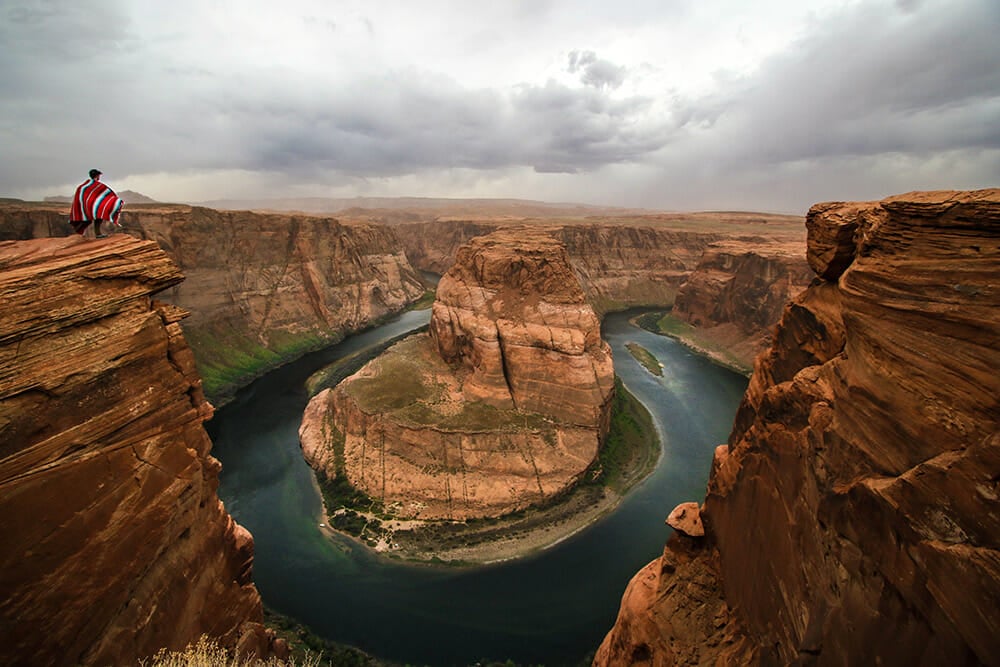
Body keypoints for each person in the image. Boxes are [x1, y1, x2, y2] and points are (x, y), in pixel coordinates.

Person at [69, 168, 124, 239]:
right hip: (92, 206)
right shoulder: (97, 185)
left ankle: (93, 233)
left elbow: (84, 195)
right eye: (99, 175)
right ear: (97, 176)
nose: (99, 177)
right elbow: (105, 193)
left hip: (88, 206)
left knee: (91, 218)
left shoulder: (84, 186)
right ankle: (97, 234)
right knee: (98, 217)